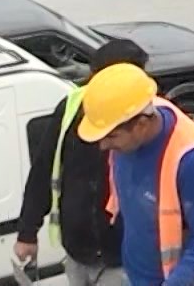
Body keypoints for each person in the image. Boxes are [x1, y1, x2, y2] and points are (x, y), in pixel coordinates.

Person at [75, 64, 194, 286]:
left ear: (141, 125)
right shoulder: (140, 112)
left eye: (112, 137)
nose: (103, 146)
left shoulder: (192, 161)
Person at [13, 39, 150, 286]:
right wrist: (27, 233)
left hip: (122, 260)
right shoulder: (71, 109)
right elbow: (44, 171)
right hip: (78, 254)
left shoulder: (145, 122)